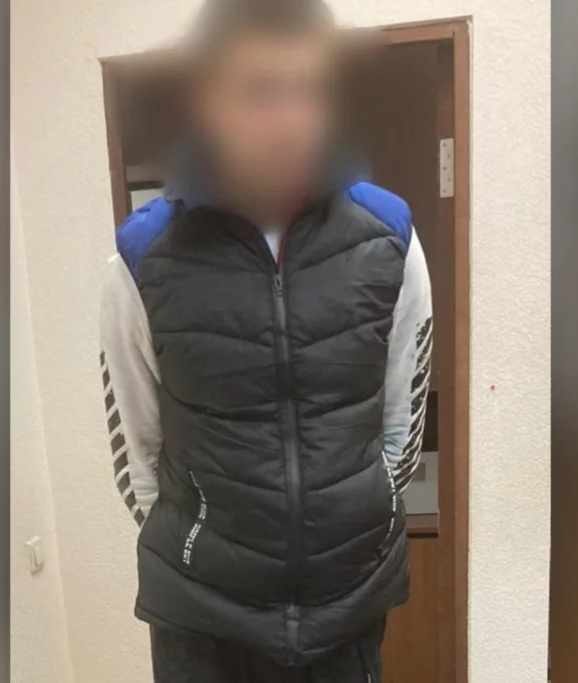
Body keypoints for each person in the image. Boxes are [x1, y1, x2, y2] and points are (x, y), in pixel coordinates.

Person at [98, 0, 432, 680]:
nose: (289, 119)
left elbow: (402, 426)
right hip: (203, 625)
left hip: (346, 610)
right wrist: (197, 553)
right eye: (259, 91)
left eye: (307, 89)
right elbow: (138, 452)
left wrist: (349, 535)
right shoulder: (142, 256)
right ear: (208, 102)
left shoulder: (389, 236)